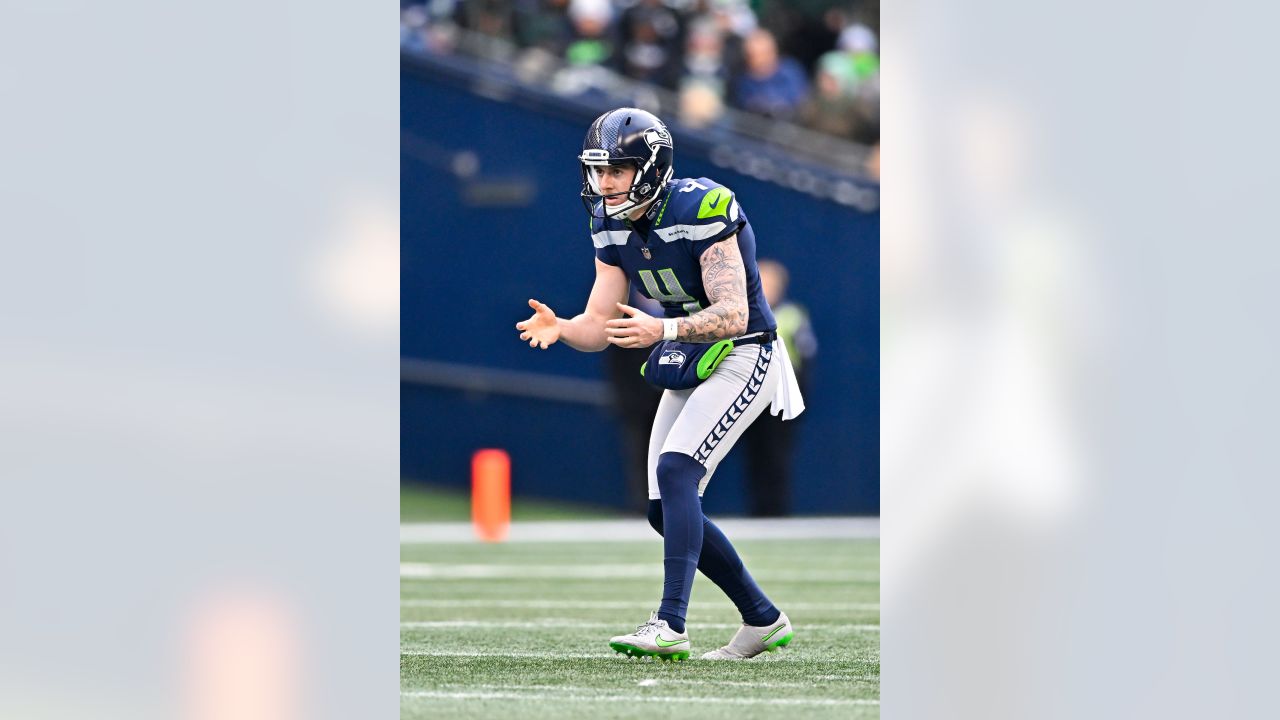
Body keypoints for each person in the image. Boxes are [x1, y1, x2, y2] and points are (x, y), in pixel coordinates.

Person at [515, 107, 805, 661]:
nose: (603, 183)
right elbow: (599, 324)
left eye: (616, 170)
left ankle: (670, 623)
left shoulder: (703, 206)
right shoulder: (607, 219)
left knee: (677, 470)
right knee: (661, 506)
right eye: (597, 171)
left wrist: (664, 327)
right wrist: (565, 328)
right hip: (691, 352)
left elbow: (735, 313)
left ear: (648, 168)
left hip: (747, 353)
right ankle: (762, 618)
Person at [739, 259, 817, 516]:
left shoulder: (792, 315)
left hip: (779, 398)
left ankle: (776, 511)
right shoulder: (742, 314)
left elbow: (805, 359)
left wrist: (799, 399)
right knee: (754, 456)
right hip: (750, 396)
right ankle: (757, 511)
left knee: (777, 457)